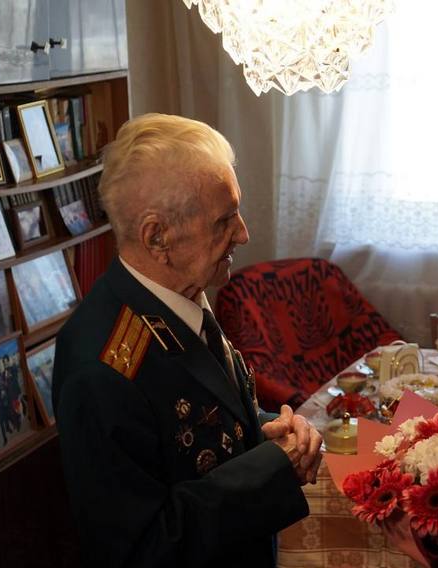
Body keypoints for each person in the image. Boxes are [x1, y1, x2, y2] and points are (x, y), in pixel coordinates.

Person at [52, 113, 322, 568]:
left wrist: (270, 430)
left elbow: (209, 419)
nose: (243, 233)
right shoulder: (101, 369)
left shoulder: (180, 293)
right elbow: (143, 550)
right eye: (224, 220)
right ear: (157, 237)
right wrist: (273, 465)